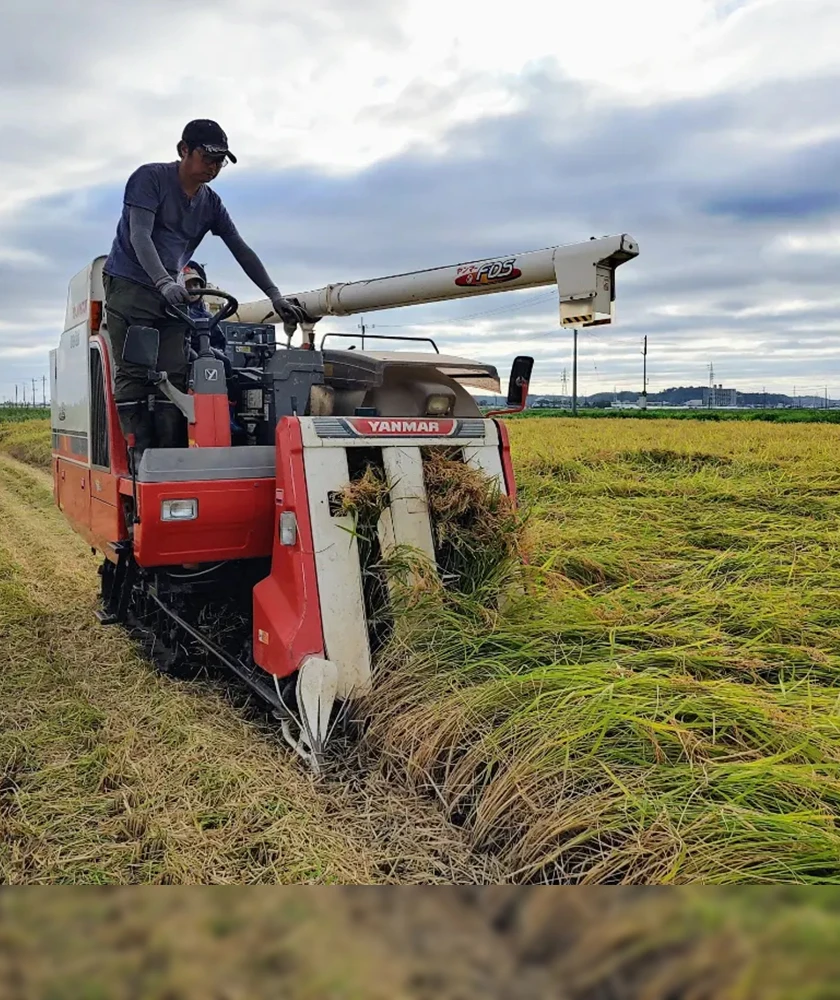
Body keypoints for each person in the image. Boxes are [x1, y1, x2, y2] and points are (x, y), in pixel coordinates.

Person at [102, 119, 304, 454]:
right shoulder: (149, 179)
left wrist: (275, 296)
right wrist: (165, 281)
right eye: (208, 157)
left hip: (170, 292)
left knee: (176, 371)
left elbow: (240, 248)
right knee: (135, 370)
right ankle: (139, 456)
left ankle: (169, 456)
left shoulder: (211, 203)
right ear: (184, 150)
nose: (214, 167)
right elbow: (140, 234)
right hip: (131, 284)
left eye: (220, 161)